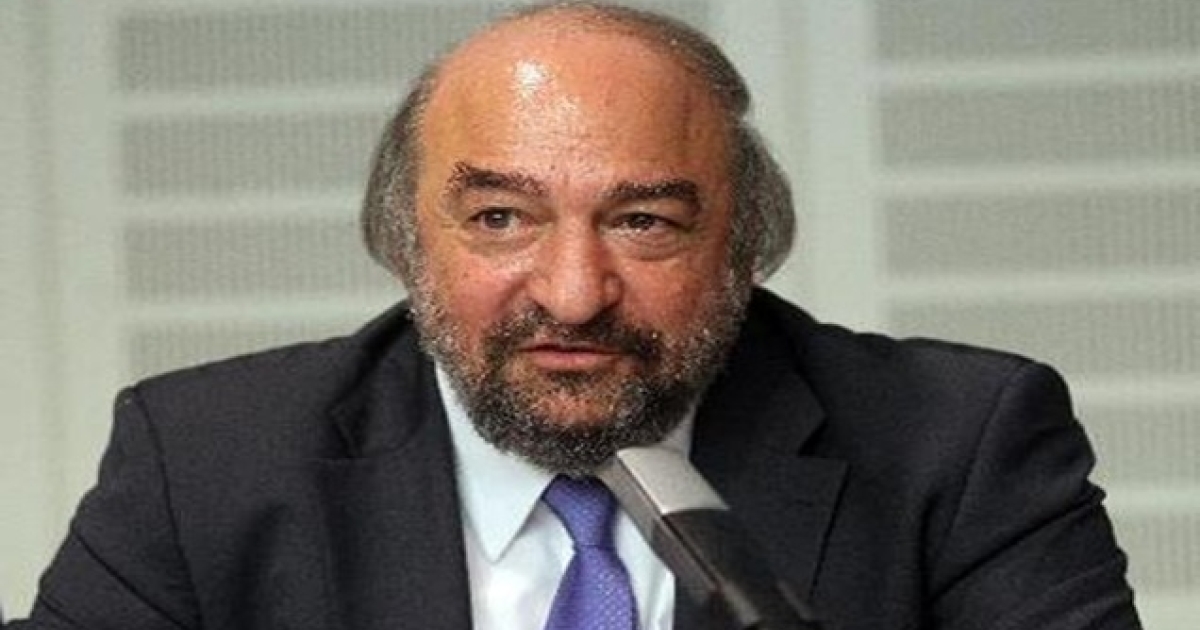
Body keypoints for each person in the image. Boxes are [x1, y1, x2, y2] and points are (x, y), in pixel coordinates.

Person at [7, 2, 1141, 629]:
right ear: (404, 238)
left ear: (746, 244)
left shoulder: (955, 444)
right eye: (500, 218)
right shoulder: (207, 463)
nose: (572, 292)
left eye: (644, 221)